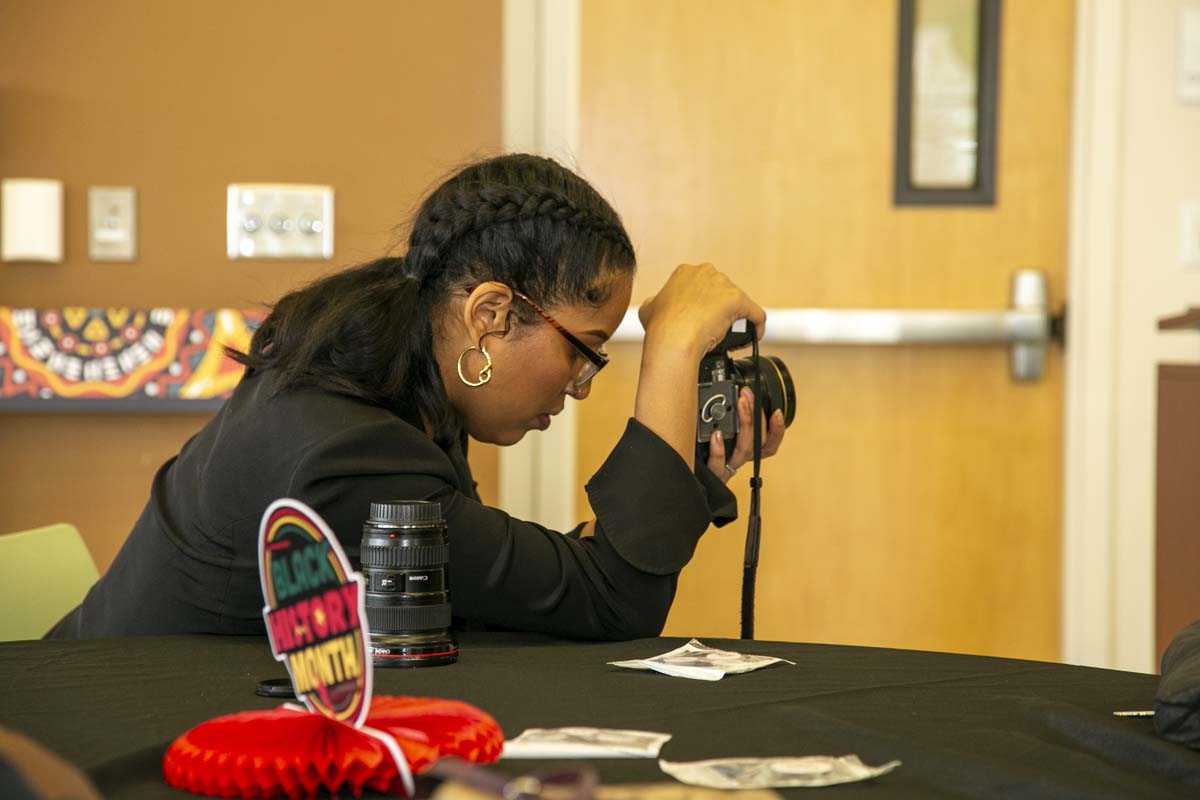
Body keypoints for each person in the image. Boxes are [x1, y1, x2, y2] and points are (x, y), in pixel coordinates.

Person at [47, 154, 786, 641]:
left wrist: (684, 479)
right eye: (583, 350)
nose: (581, 385)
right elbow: (609, 602)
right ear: (491, 315)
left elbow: (517, 593)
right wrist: (672, 353)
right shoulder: (348, 454)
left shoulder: (393, 382)